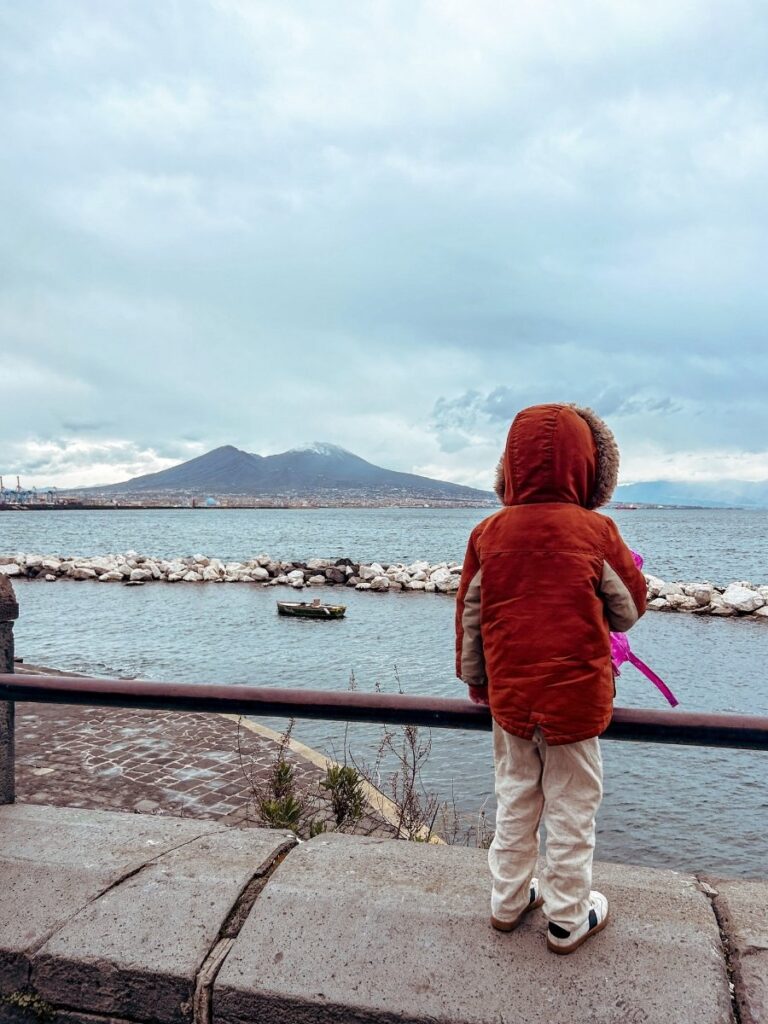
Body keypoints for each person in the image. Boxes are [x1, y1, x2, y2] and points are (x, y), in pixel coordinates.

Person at [455, 403, 647, 954]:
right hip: (575, 699)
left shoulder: (487, 533)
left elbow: (470, 615)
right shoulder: (597, 530)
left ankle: (507, 901)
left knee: (515, 796)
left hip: (511, 696)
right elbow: (629, 608)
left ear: (509, 466)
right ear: (591, 467)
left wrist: (475, 680)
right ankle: (567, 917)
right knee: (572, 804)